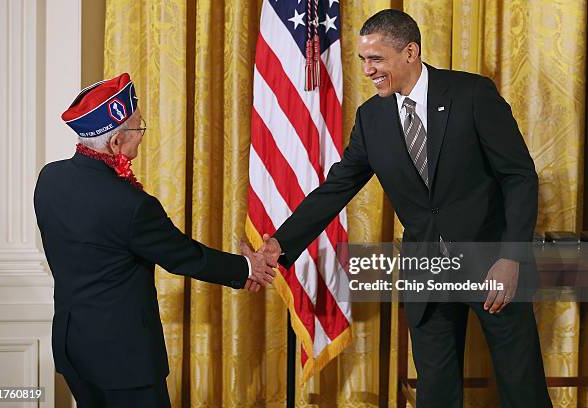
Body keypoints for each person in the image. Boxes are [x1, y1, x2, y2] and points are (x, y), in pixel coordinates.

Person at [258, 9, 552, 408]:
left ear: (410, 52)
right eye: (363, 60)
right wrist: (280, 241)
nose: (367, 70)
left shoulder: (471, 94)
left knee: (522, 388)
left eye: (375, 59)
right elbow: (336, 189)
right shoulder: (371, 118)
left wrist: (511, 257)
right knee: (435, 392)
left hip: (493, 262)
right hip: (426, 272)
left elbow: (519, 176)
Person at [34, 73, 272, 407]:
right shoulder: (130, 204)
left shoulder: (49, 179)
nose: (142, 137)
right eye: (137, 128)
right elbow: (183, 256)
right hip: (124, 360)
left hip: (73, 348)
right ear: (116, 143)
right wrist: (248, 266)